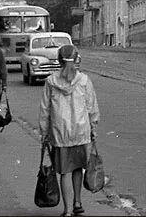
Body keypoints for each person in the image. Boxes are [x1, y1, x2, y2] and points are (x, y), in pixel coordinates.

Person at [39, 45, 99, 217]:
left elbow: (45, 109)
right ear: (77, 59)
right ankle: (78, 203)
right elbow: (91, 106)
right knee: (78, 168)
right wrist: (93, 126)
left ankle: (66, 210)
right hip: (81, 132)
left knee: (64, 171)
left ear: (58, 61)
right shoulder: (84, 80)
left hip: (60, 133)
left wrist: (44, 132)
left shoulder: (51, 81)